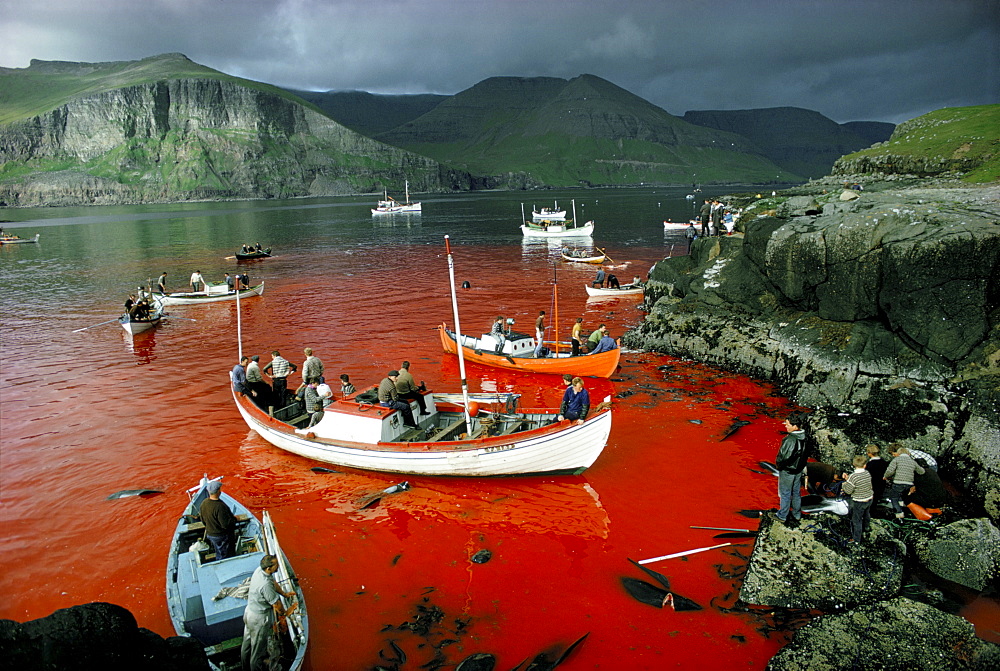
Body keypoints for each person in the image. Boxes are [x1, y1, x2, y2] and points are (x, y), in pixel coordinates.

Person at [241, 554, 295, 671]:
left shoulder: (259, 571)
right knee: (258, 653)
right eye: (276, 565)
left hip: (249, 612)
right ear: (269, 568)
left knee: (247, 644)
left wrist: (284, 594)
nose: (279, 566)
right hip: (258, 619)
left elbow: (273, 583)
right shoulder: (265, 585)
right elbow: (277, 605)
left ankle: (244, 667)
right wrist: (285, 613)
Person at [768, 411, 809, 527]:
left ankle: (782, 515)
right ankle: (797, 514)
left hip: (788, 471)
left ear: (795, 426)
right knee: (796, 492)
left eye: (787, 424)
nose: (785, 426)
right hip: (798, 470)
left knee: (785, 493)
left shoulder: (790, 439)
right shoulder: (805, 437)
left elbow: (784, 457)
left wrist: (779, 466)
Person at [884, 444, 925, 519]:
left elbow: (890, 470)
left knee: (894, 497)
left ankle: (899, 513)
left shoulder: (896, 460)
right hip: (909, 484)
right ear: (908, 454)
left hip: (898, 483)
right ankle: (902, 505)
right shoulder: (912, 461)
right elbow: (921, 471)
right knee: (903, 495)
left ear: (899, 454)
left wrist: (885, 476)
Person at [199, 480, 237, 561]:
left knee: (218, 550)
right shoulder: (220, 506)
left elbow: (202, 519)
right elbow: (226, 525)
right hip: (221, 536)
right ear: (218, 491)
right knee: (224, 555)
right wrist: (235, 520)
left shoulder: (204, 503)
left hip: (210, 534)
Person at [842, 455, 874, 543]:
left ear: (853, 464)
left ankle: (856, 539)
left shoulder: (853, 476)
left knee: (857, 520)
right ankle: (867, 527)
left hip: (859, 501)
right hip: (869, 498)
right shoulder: (867, 473)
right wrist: (849, 480)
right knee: (866, 514)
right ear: (865, 465)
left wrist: (844, 483)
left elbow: (848, 491)